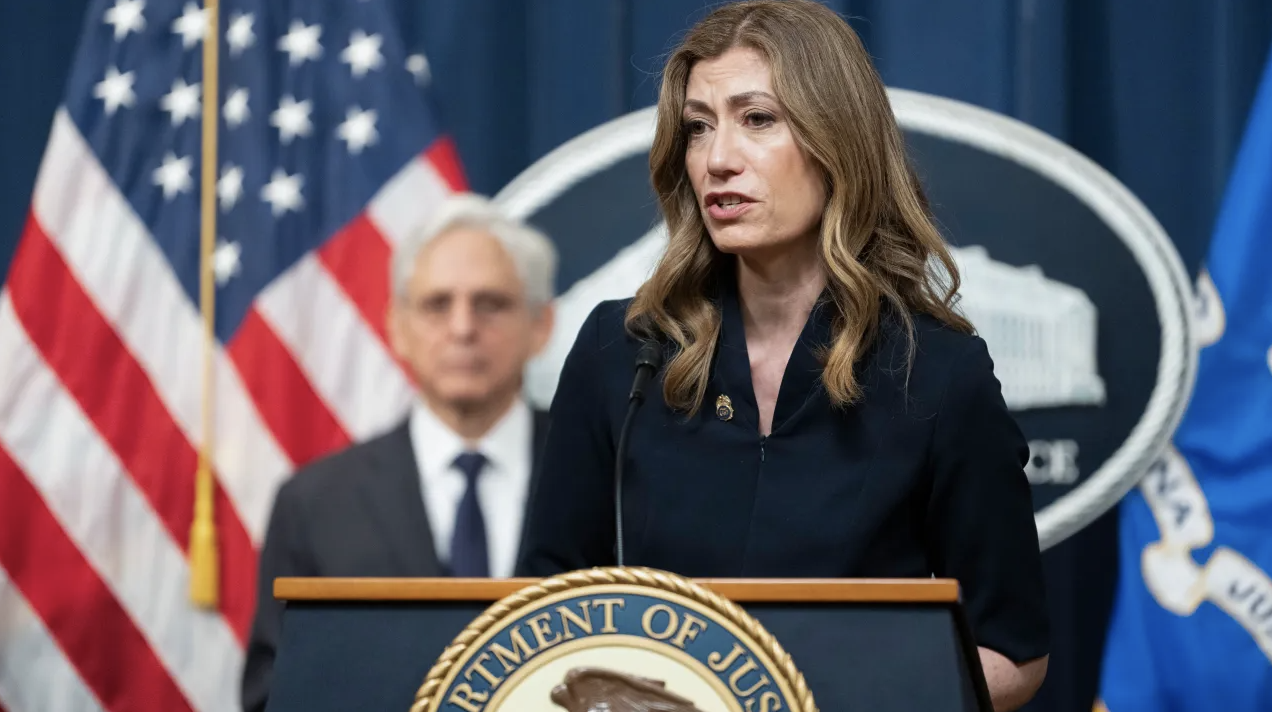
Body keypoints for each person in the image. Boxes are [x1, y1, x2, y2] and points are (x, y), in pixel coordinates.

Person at [513, 1, 1049, 710]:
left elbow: (1011, 651)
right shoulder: (624, 353)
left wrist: (810, 698)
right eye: (698, 127)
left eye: (757, 119)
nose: (717, 158)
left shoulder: (939, 373)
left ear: (839, 140)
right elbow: (534, 619)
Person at [241, 193, 558, 712]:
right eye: (437, 305)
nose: (463, 328)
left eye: (491, 303)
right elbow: (272, 698)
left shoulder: (606, 480)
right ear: (397, 328)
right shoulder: (315, 503)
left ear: (541, 326)